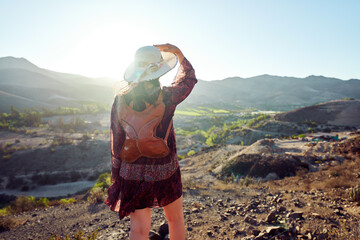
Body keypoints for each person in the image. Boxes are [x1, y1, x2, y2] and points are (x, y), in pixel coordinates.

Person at [106, 43, 197, 240]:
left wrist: (118, 172)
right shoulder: (167, 97)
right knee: (175, 220)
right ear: (159, 71)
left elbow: (117, 140)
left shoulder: (119, 100)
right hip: (165, 169)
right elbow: (189, 79)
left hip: (131, 172)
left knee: (138, 230)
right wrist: (178, 53)